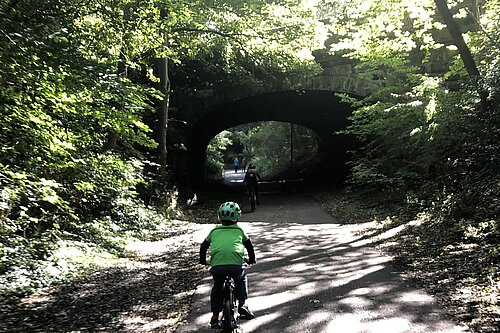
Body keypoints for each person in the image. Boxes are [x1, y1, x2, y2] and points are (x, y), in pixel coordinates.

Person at [199, 201, 257, 329]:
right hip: (236, 265)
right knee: (241, 279)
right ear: (237, 216)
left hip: (218, 266)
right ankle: (242, 305)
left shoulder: (214, 230)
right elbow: (249, 246)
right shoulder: (239, 230)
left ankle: (215, 316)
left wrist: (203, 260)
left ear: (219, 217)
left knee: (217, 287)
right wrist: (252, 259)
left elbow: (203, 246)